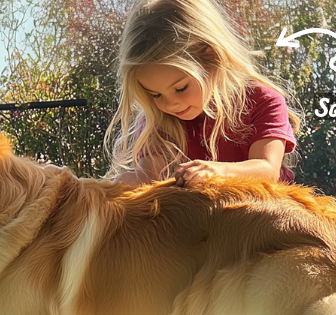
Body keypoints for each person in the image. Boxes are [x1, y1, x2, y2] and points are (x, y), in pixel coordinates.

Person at [104, 0, 302, 187]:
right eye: (155, 95)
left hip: (263, 217)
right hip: (204, 221)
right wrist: (126, 182)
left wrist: (218, 171)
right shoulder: (157, 119)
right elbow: (148, 175)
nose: (170, 104)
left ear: (211, 56)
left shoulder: (262, 100)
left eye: (180, 88)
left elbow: (267, 170)